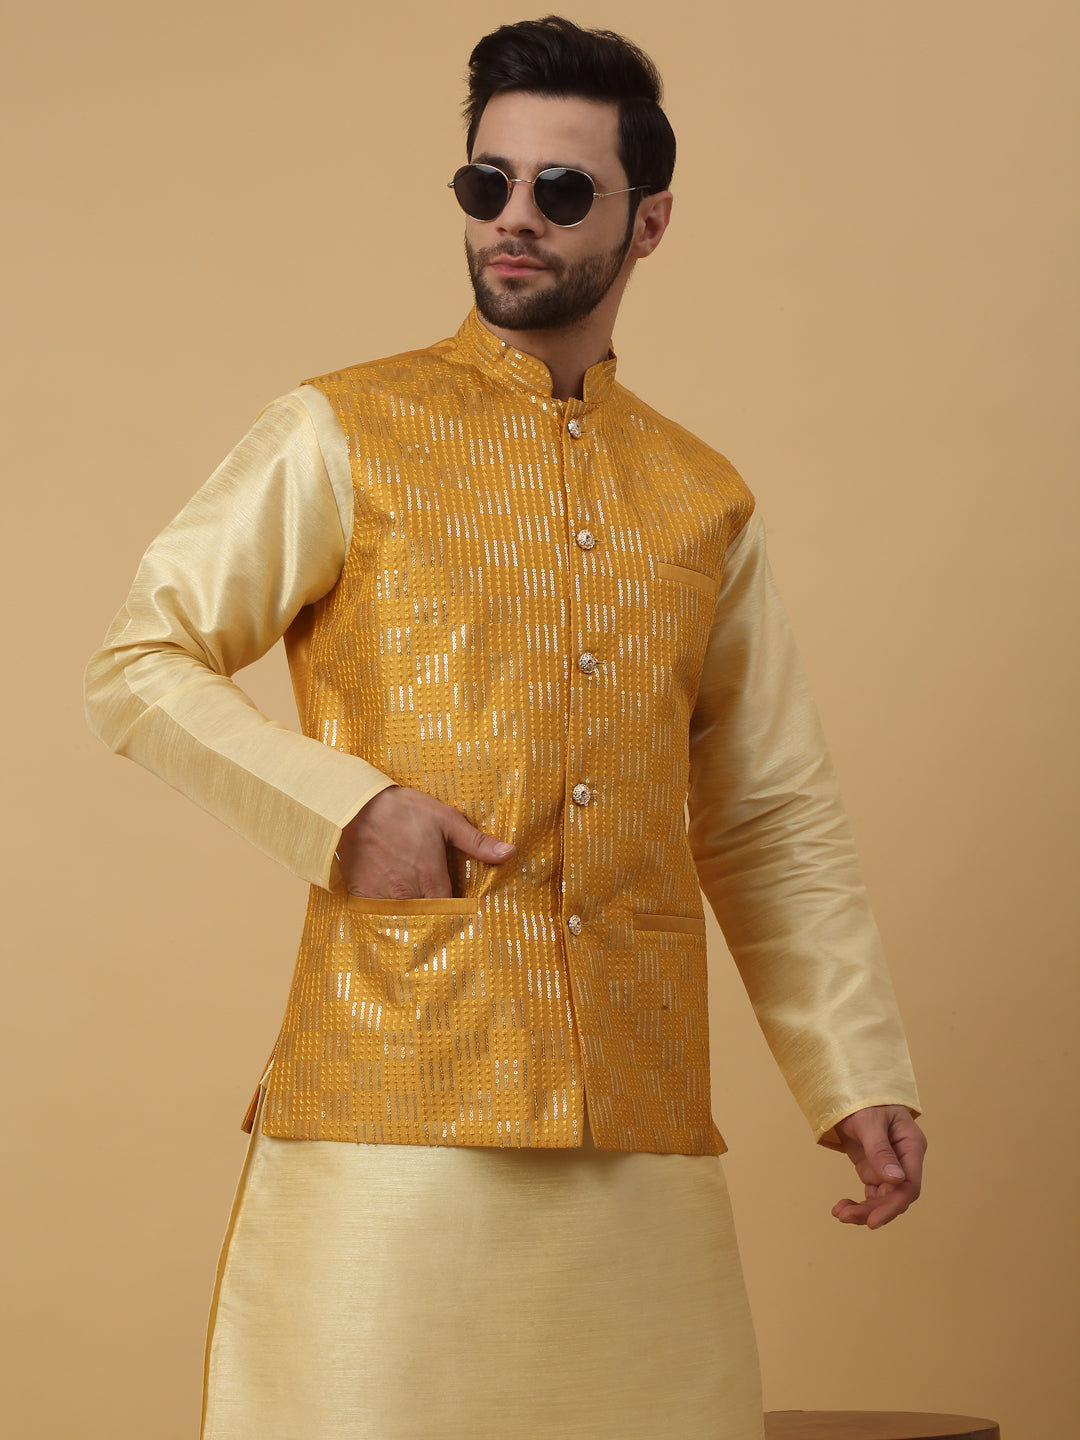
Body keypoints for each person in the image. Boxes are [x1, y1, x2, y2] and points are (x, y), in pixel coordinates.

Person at [84, 15, 925, 1440]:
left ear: (649, 221)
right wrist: (348, 811)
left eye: (561, 189)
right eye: (488, 184)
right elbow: (139, 661)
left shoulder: (702, 498)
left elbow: (766, 808)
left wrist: (855, 1071)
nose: (514, 219)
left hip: (642, 1132)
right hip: (392, 1104)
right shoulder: (344, 430)